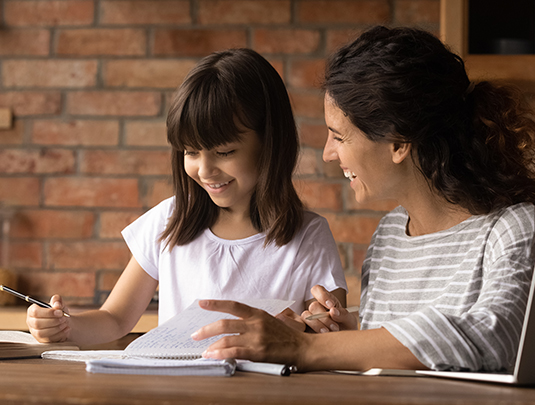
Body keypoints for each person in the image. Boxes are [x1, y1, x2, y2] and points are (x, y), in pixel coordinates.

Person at [191, 26, 535, 373]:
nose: (327, 154)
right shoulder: (389, 235)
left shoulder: (513, 229)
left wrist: (307, 348)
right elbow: (399, 355)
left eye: (339, 136)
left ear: (398, 143)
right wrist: (340, 331)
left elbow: (498, 338)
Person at [26, 48, 347, 346]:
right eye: (191, 151)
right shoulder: (169, 221)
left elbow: (329, 334)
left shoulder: (308, 237)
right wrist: (66, 326)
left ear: (269, 143)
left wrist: (315, 324)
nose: (205, 170)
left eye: (224, 152)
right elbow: (115, 318)